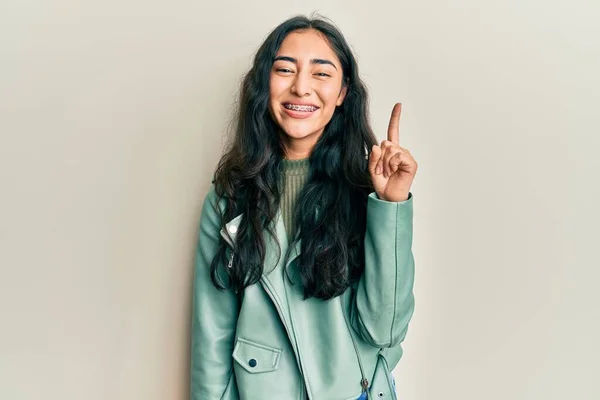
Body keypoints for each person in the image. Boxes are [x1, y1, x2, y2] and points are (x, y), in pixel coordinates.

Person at [190, 14, 418, 400]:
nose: (300, 88)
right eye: (284, 69)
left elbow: (385, 329)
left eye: (321, 73)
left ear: (343, 92)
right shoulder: (228, 201)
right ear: (265, 83)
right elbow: (211, 338)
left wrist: (390, 205)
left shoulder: (367, 195)